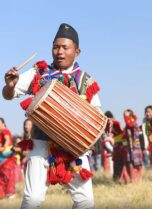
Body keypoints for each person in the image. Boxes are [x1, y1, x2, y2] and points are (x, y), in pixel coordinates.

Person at [3, 23, 103, 209]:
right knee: (32, 199)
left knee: (85, 201)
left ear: (77, 52)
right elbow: (8, 95)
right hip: (41, 143)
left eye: (65, 47)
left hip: (74, 147)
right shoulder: (39, 72)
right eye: (56, 47)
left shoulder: (85, 80)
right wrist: (10, 86)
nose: (59, 52)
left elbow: (96, 114)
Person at [0, 117, 18, 200]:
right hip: (2, 158)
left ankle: (10, 195)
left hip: (7, 158)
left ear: (3, 123)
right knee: (3, 177)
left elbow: (7, 140)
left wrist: (4, 147)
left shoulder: (5, 130)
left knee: (8, 176)